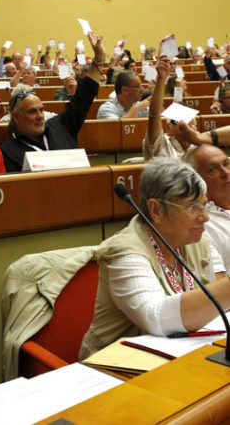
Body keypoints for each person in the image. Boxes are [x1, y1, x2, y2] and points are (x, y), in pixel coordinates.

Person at [79, 158, 229, 359]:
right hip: (116, 364)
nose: (205, 217)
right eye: (192, 207)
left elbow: (216, 307)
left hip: (182, 353)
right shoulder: (125, 251)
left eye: (204, 205)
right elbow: (156, 317)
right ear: (156, 210)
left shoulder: (196, 240)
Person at [0, 30, 104, 172]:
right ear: (16, 117)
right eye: (32, 112)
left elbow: (84, 96)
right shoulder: (8, 153)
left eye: (41, 110)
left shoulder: (61, 125)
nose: (40, 116)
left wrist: (99, 56)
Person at [184, 144, 230, 272]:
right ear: (195, 181)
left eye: (226, 164)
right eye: (212, 170)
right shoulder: (201, 224)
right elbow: (216, 281)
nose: (226, 173)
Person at [143, 56, 196, 160]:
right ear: (169, 129)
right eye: (182, 125)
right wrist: (161, 79)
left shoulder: (197, 147)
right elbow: (154, 115)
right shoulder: (161, 144)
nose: (189, 127)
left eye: (191, 125)